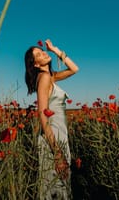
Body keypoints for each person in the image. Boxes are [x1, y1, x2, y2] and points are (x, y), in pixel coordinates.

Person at [24, 39, 79, 200]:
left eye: (43, 51)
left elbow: (74, 69)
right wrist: (57, 153)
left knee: (60, 186)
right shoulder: (44, 78)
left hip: (59, 135)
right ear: (35, 64)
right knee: (56, 189)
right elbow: (42, 115)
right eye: (39, 54)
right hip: (53, 139)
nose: (44, 53)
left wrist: (55, 50)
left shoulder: (50, 76)